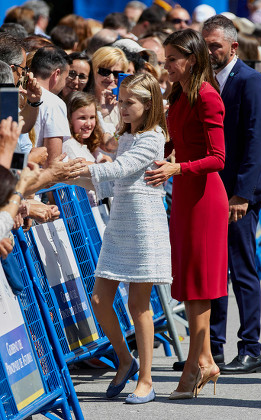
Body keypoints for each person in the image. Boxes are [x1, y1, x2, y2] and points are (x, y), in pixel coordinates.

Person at [145, 29, 228, 399]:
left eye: (172, 60)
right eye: (165, 60)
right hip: (184, 195)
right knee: (191, 285)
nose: (167, 67)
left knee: (198, 285)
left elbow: (218, 158)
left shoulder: (207, 95)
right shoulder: (179, 94)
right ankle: (205, 360)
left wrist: (178, 168)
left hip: (204, 198)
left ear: (192, 59)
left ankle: (197, 365)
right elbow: (176, 140)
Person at [80, 73, 172, 404]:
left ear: (149, 105)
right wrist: (68, 179)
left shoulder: (153, 137)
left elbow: (120, 170)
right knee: (100, 299)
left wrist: (78, 172)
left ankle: (146, 379)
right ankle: (124, 359)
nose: (122, 107)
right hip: (119, 225)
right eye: (120, 101)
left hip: (145, 227)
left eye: (129, 102)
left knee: (138, 304)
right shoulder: (125, 137)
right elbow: (110, 184)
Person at [201, 15, 261, 374]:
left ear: (233, 46)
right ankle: (211, 348)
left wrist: (242, 194)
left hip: (239, 194)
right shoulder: (204, 81)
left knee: (241, 269)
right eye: (206, 44)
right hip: (211, 190)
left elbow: (257, 141)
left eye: (215, 44)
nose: (209, 50)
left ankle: (251, 349)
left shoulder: (252, 81)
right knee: (214, 271)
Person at [63, 91, 111, 205]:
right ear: (69, 118)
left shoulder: (86, 144)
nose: (89, 124)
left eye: (92, 117)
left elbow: (106, 159)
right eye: (82, 118)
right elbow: (79, 170)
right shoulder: (68, 144)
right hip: (80, 210)